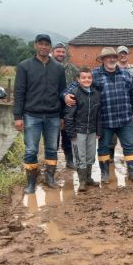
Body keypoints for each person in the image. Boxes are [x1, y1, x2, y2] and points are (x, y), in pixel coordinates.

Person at [64, 47, 133, 184]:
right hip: (105, 120)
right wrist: (65, 95)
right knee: (104, 147)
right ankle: (105, 174)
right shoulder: (95, 75)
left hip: (125, 119)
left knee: (129, 146)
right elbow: (76, 85)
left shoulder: (126, 75)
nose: (111, 59)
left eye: (113, 57)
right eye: (108, 57)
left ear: (116, 59)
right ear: (103, 60)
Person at [14, 34, 66, 194]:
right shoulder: (25, 66)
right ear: (36, 45)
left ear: (50, 47)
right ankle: (31, 182)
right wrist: (17, 117)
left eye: (46, 44)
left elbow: (62, 93)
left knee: (51, 148)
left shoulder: (58, 68)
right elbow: (19, 92)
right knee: (31, 150)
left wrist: (62, 115)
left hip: (53, 115)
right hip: (32, 115)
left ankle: (50, 178)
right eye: (41, 44)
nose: (44, 47)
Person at [63, 67, 102, 192]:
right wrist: (71, 132)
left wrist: (99, 131)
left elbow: (98, 114)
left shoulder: (96, 94)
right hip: (78, 131)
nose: (87, 80)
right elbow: (69, 115)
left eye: (89, 77)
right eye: (83, 77)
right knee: (80, 156)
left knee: (90, 155)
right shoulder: (74, 94)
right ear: (78, 80)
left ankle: (89, 178)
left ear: (92, 78)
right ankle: (82, 182)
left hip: (92, 130)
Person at [52, 42, 79, 170]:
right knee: (53, 138)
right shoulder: (49, 67)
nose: (61, 54)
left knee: (68, 135)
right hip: (52, 108)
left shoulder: (72, 69)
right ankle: (52, 163)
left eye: (63, 52)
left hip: (69, 109)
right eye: (58, 51)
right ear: (53, 52)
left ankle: (70, 160)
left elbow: (80, 84)